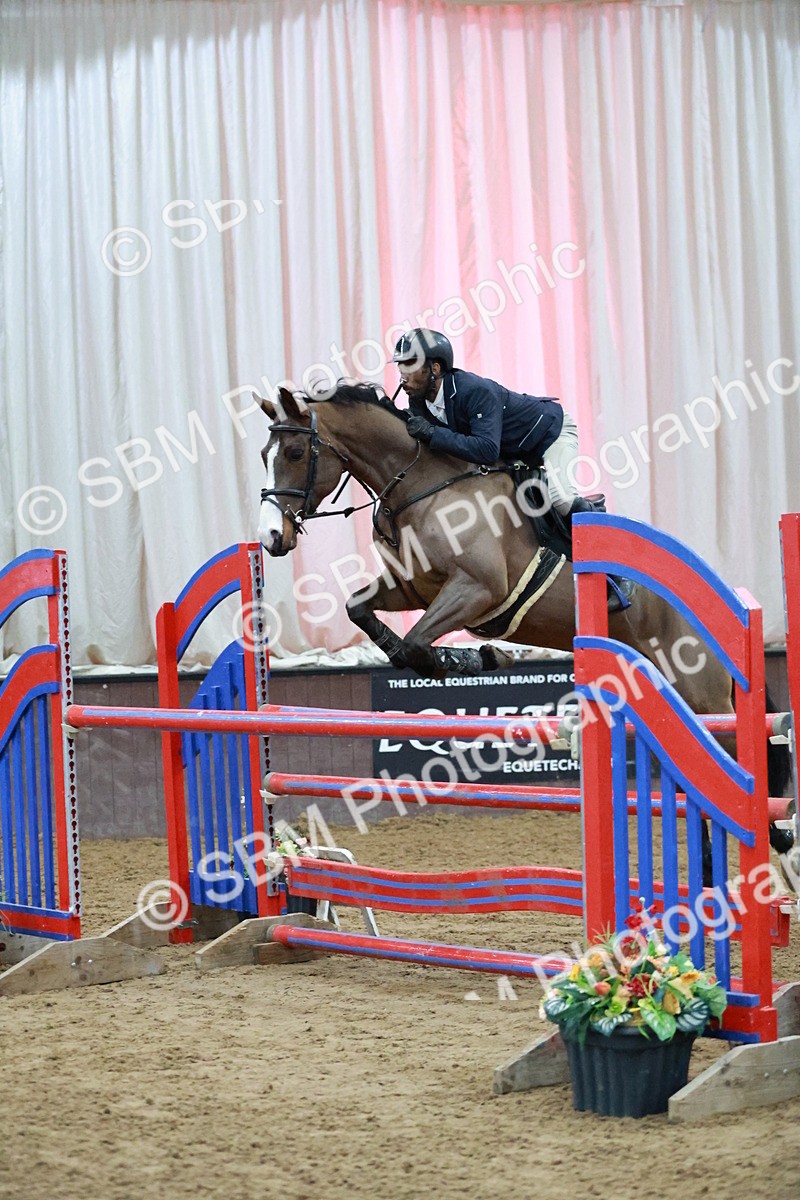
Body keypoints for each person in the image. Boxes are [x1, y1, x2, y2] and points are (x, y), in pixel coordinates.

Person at [391, 327, 634, 610]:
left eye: (410, 365)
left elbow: (485, 449)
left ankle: (619, 568)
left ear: (435, 368)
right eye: (400, 365)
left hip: (549, 435)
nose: (402, 374)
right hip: (513, 451)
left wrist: (432, 434)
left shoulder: (474, 390)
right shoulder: (418, 400)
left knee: (561, 498)